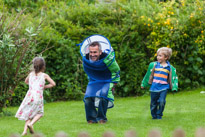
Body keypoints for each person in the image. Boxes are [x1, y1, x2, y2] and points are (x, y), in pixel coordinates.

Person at [15, 57, 56, 136]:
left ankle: (24, 131)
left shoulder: (31, 74)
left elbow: (26, 81)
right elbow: (53, 84)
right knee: (40, 113)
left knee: (28, 114)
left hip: (29, 96)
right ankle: (31, 124)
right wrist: (44, 87)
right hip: (37, 96)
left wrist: (32, 86)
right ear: (43, 66)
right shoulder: (44, 75)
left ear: (33, 66)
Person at [83, 41, 120, 124]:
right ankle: (91, 119)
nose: (92, 55)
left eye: (95, 52)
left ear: (100, 52)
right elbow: (88, 71)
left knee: (103, 94)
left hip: (107, 80)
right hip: (94, 81)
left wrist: (115, 82)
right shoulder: (86, 59)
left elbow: (116, 70)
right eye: (91, 52)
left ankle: (101, 118)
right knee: (88, 96)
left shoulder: (108, 59)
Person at [141, 47, 178, 119]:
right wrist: (143, 84)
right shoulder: (154, 65)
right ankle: (154, 115)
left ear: (166, 57)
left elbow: (174, 78)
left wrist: (174, 87)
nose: (158, 57)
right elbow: (148, 75)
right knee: (153, 104)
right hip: (154, 88)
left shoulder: (170, 68)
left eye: (160, 56)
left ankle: (159, 114)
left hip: (163, 88)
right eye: (157, 55)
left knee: (162, 102)